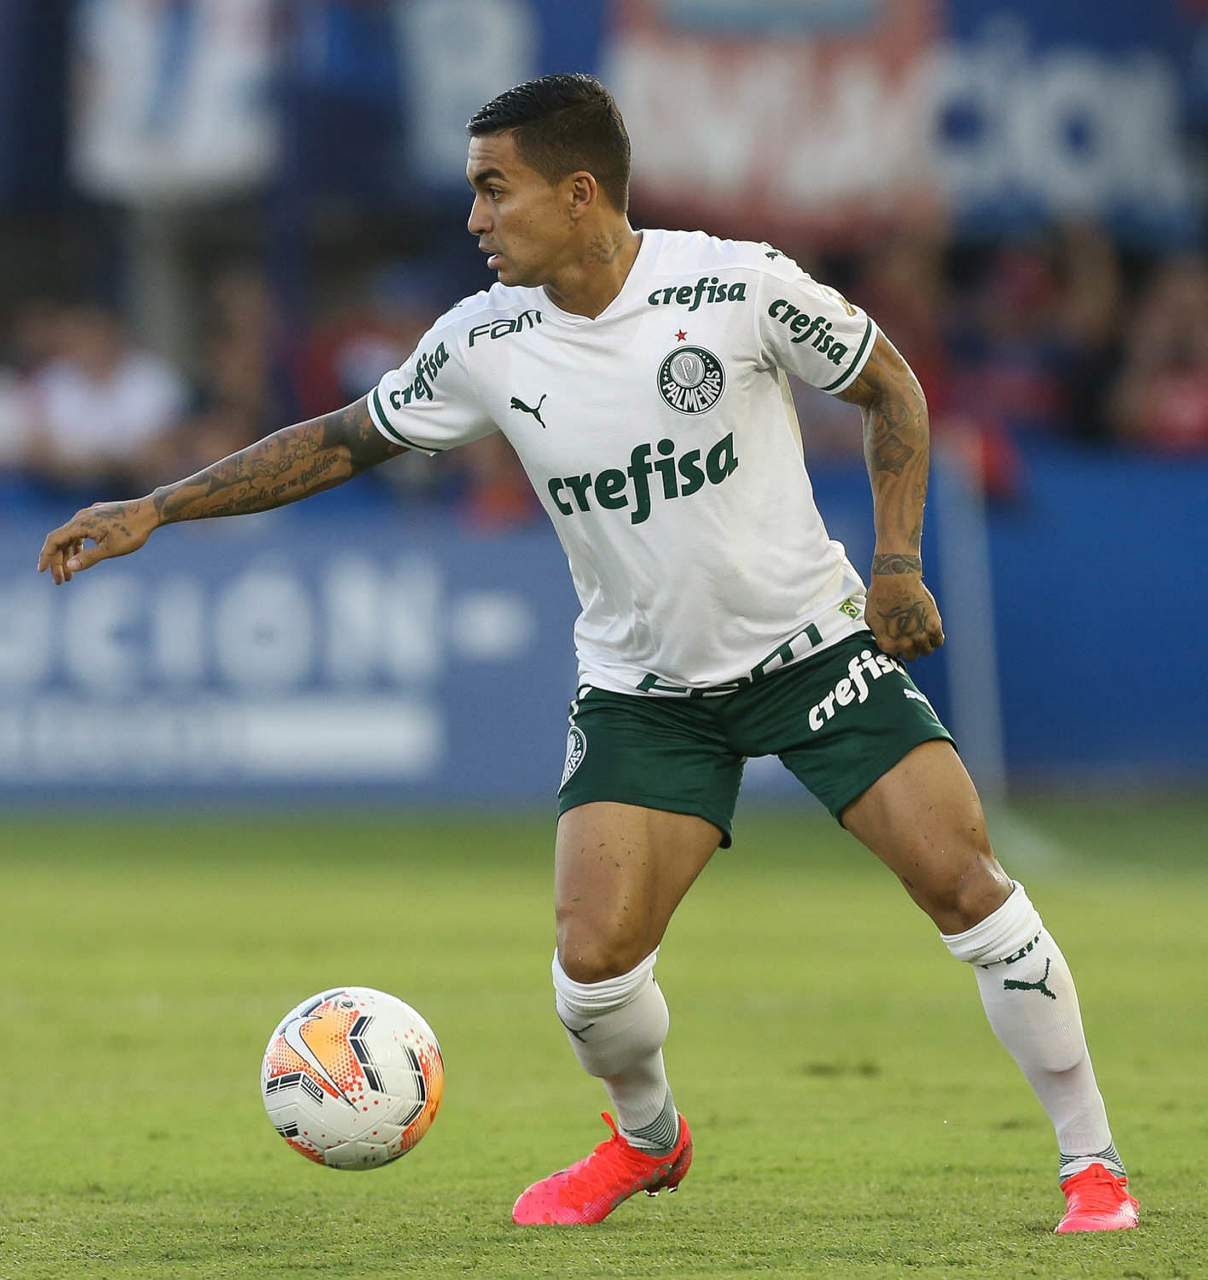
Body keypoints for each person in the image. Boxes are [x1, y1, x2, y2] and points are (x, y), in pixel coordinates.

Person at [37, 73, 1137, 1235]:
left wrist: (898, 562)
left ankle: (1091, 1162)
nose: (474, 217)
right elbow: (341, 439)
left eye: (492, 189)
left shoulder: (736, 284)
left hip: (811, 651)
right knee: (591, 969)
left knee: (967, 889)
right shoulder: (483, 339)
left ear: (576, 193)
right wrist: (158, 505)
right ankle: (648, 1139)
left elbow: (889, 386)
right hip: (644, 689)